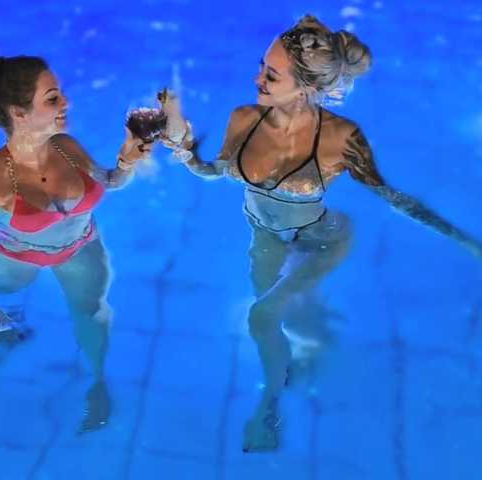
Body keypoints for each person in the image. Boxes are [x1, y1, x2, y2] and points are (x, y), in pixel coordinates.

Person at [157, 14, 482, 451]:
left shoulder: (339, 138)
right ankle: (296, 350)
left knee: (261, 316)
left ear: (305, 86)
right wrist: (181, 144)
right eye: (261, 68)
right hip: (264, 237)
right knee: (276, 316)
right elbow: (213, 171)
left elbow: (392, 197)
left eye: (271, 75)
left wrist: (465, 241)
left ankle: (268, 408)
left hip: (320, 241)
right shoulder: (243, 119)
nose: (257, 79)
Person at [0, 55, 155, 432]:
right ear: (18, 113)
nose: (66, 103)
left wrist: (126, 162)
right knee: (1, 315)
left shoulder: (66, 147)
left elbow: (108, 182)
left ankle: (98, 383)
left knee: (92, 312)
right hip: (13, 259)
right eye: (53, 98)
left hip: (82, 247)